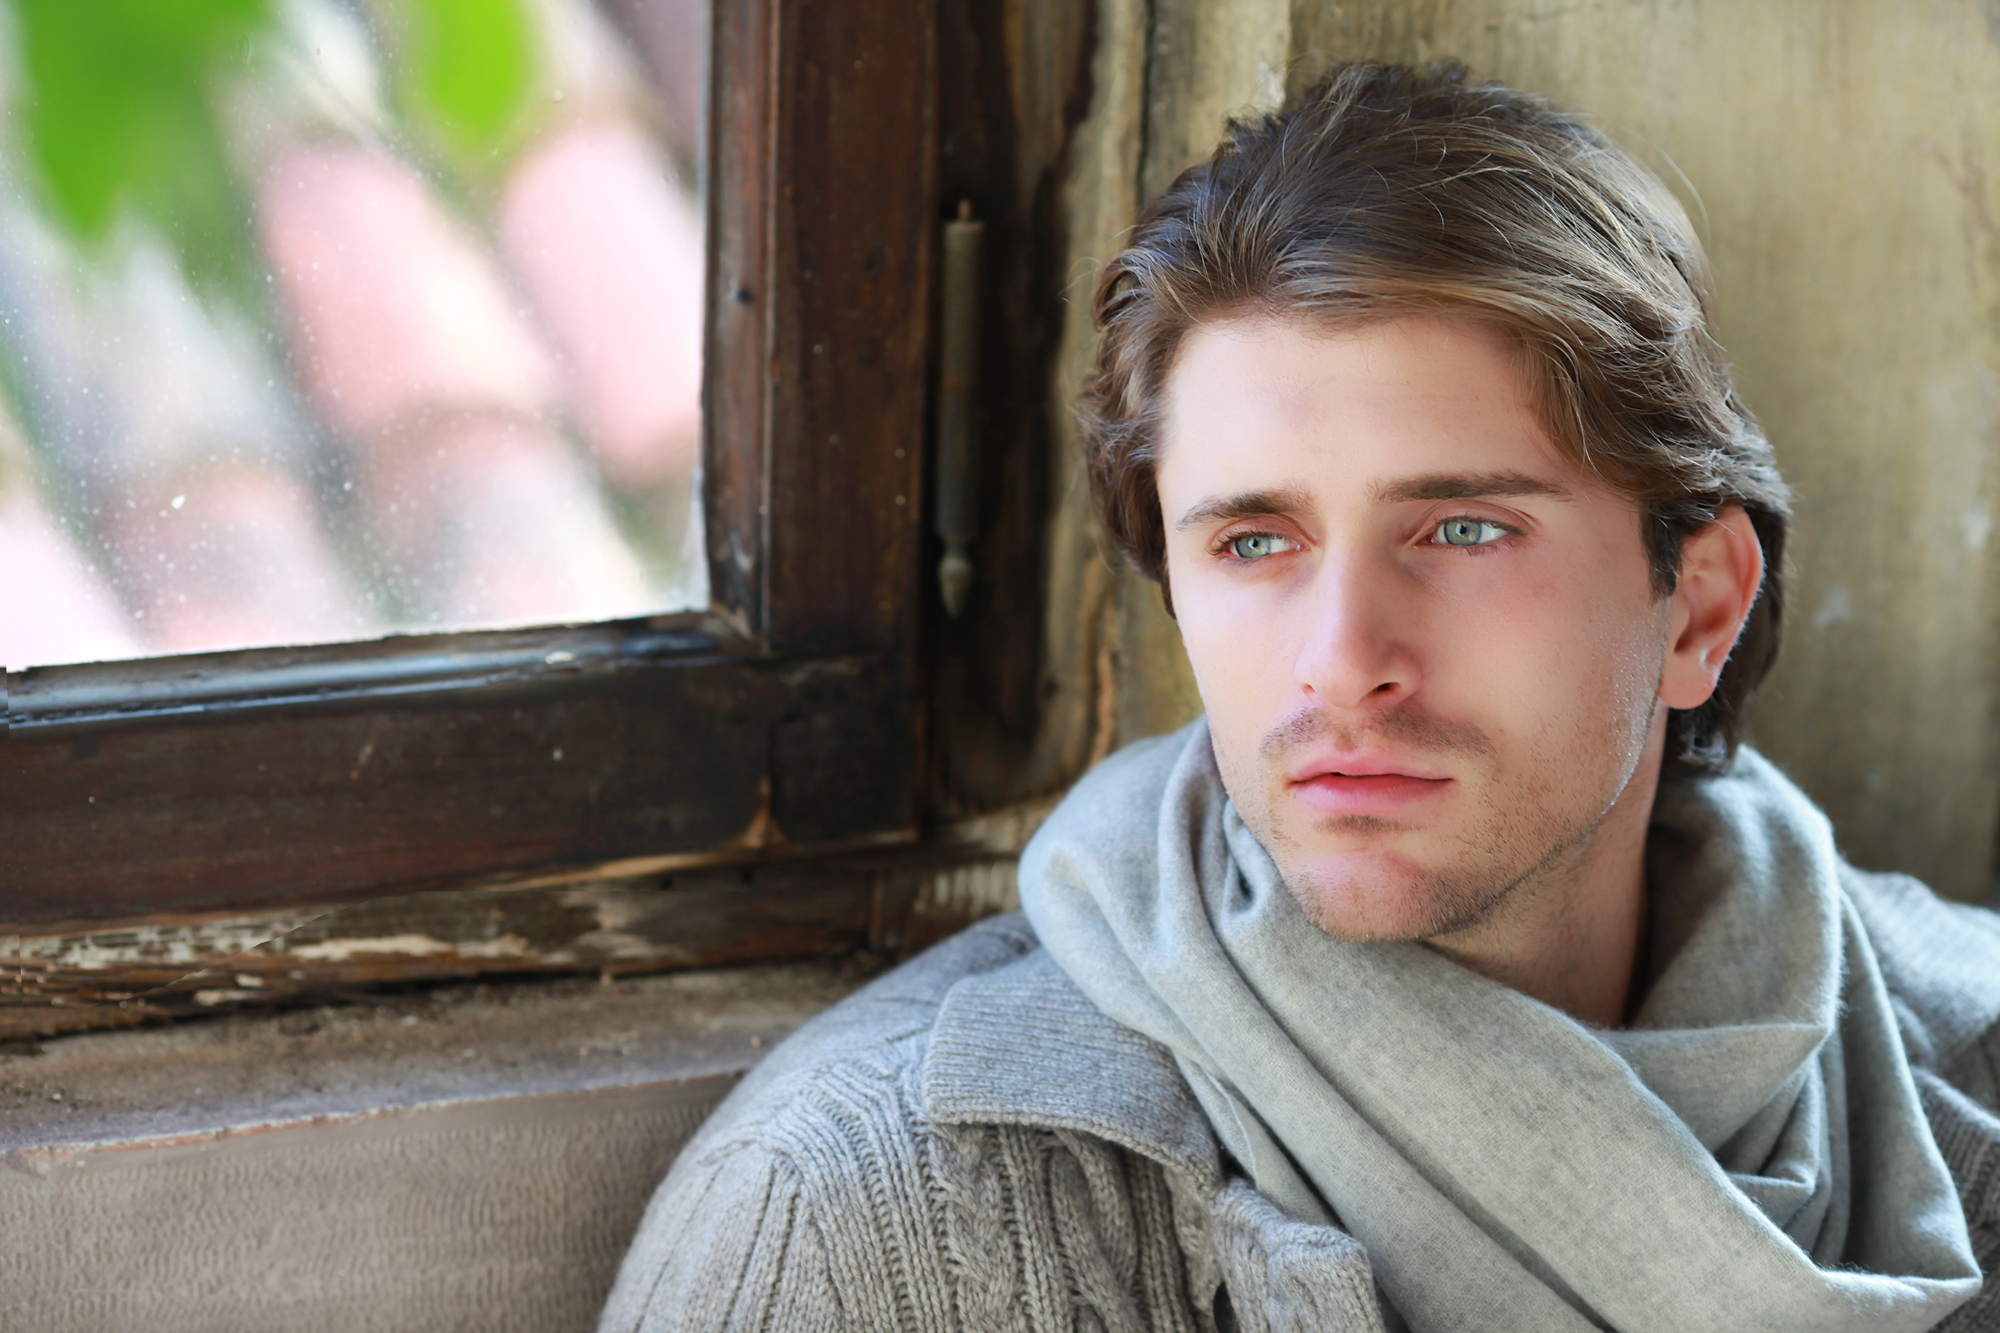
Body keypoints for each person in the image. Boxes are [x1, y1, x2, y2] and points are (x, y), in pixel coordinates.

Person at [599, 61, 2000, 1333]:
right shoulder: (856, 1221)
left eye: (1460, 529)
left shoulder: (1970, 1077)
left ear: (1697, 601)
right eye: (1254, 542)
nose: (1343, 657)